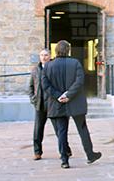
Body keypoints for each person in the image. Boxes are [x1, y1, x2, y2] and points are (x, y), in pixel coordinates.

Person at [41, 40, 101, 168]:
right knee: (82, 129)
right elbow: (79, 81)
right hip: (75, 101)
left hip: (58, 103)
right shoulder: (75, 63)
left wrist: (59, 96)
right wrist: (68, 95)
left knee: (61, 132)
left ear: (56, 50)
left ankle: (64, 160)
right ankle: (90, 154)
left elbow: (45, 85)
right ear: (68, 50)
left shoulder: (48, 66)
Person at [28, 48, 51, 160]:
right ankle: (37, 152)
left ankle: (66, 150)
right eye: (42, 55)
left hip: (52, 104)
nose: (44, 57)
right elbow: (31, 86)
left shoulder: (53, 68)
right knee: (38, 130)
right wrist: (33, 99)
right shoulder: (35, 70)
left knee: (59, 129)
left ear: (50, 56)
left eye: (46, 55)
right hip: (40, 104)